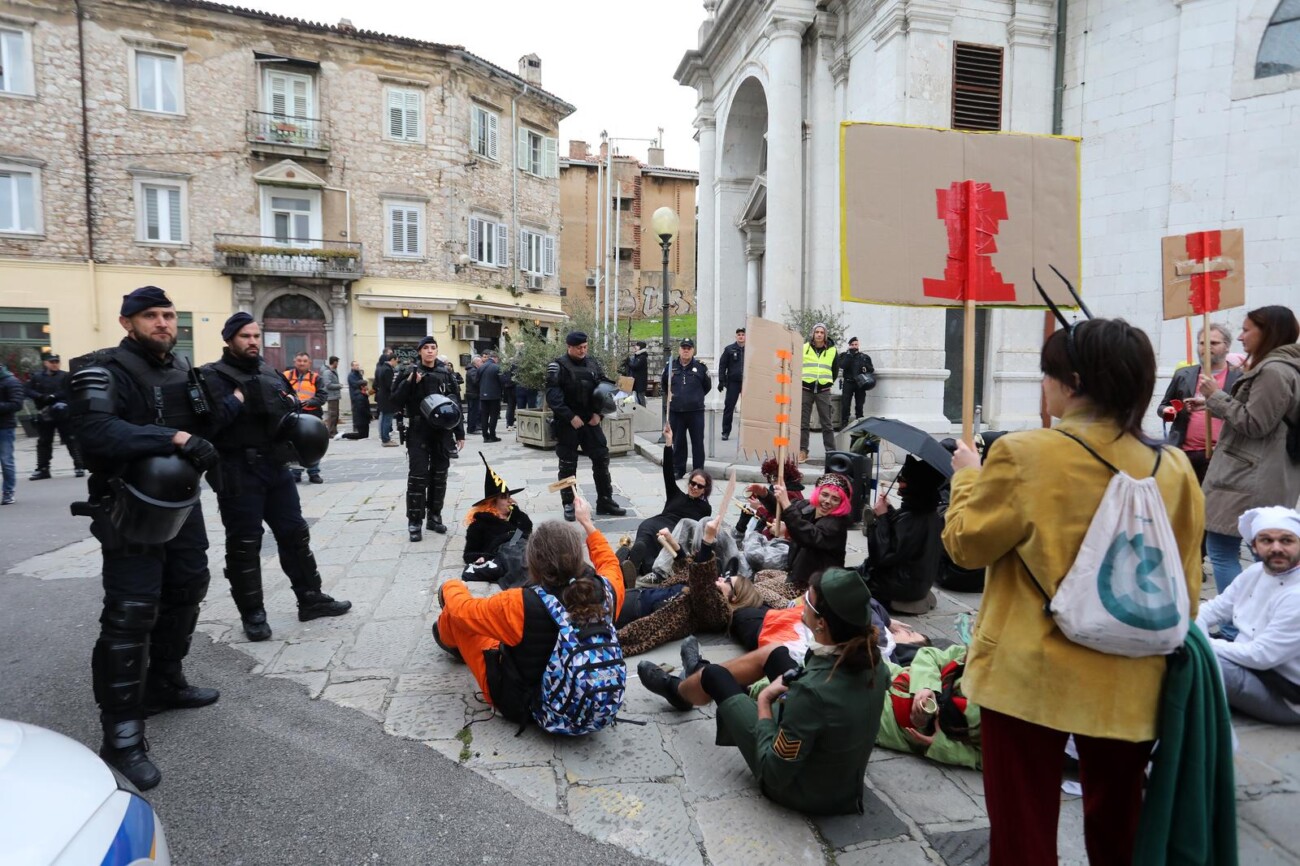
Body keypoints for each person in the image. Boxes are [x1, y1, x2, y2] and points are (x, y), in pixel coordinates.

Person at [942, 317, 1204, 866]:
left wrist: (967, 475)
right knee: (1120, 827)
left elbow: (965, 547)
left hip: (1027, 674)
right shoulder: (1175, 466)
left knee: (1023, 831)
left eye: (1049, 374)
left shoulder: (1025, 454)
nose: (1044, 384)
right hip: (1131, 676)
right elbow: (1187, 581)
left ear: (1074, 381)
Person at [66, 286, 224, 790]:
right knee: (131, 612)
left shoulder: (181, 370)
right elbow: (95, 435)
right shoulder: (102, 369)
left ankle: (165, 682)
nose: (162, 322)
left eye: (169, 314)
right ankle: (122, 733)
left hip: (182, 505)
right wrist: (171, 437)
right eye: (151, 316)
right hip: (128, 506)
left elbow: (208, 427)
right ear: (126, 322)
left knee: (187, 589)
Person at [638, 567, 888, 815]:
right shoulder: (873, 661)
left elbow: (774, 772)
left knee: (716, 676)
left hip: (802, 791)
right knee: (776, 652)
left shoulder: (812, 693)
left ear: (821, 624)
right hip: (832, 764)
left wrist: (765, 702)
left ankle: (681, 689)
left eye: (807, 604)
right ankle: (696, 676)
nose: (800, 607)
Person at [202, 312, 352, 642]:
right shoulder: (212, 377)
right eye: (245, 336)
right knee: (244, 544)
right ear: (229, 340)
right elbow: (207, 425)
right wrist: (237, 398)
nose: (252, 341)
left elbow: (289, 413)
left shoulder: (271, 373)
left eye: (256, 335)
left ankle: (310, 598)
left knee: (295, 533)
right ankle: (253, 613)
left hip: (276, 468)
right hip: (238, 472)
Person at [434, 497, 624, 725]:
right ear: (578, 558)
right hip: (591, 700)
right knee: (487, 622)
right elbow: (611, 565)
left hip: (524, 706)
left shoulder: (520, 603)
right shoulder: (606, 591)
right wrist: (587, 523)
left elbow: (463, 610)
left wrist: (451, 587)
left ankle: (446, 638)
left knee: (457, 619)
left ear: (533, 563)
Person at [1199, 305, 1300, 594]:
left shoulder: (1274, 371)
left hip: (1247, 476)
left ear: (1267, 333)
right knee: (1264, 553)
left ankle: (1235, 625)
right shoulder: (1280, 367)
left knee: (1224, 550)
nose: (1241, 337)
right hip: (1260, 473)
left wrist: (1215, 397)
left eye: (1246, 330)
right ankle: (1262, 618)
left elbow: (1255, 423)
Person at [1195, 505, 1300, 725]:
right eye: (1266, 540)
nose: (1276, 548)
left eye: (1287, 540)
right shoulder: (1254, 572)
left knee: (1192, 658)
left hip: (1286, 694)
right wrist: (1196, 631)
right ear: (1254, 546)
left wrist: (1200, 642)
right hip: (1249, 666)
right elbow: (1212, 609)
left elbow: (1260, 656)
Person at [546, 331, 626, 521]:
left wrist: (599, 414)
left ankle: (605, 500)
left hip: (590, 420)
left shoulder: (592, 363)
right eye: (579, 348)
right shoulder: (557, 366)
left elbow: (604, 390)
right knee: (567, 464)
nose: (583, 351)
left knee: (601, 458)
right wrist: (569, 416)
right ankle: (569, 503)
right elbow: (553, 398)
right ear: (569, 347)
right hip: (568, 422)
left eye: (585, 347)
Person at [618, 426, 713, 586]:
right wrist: (669, 443)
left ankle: (632, 563)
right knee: (644, 536)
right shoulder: (675, 493)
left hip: (673, 533)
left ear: (705, 490)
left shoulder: (705, 509)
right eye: (692, 483)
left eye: (699, 486)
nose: (694, 487)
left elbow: (696, 533)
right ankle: (634, 562)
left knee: (656, 553)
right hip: (656, 524)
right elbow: (668, 470)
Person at [391, 337, 465, 540]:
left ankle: (435, 517)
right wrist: (409, 383)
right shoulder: (409, 372)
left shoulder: (446, 373)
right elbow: (394, 401)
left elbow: (455, 402)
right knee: (417, 476)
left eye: (433, 348)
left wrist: (460, 433)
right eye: (426, 348)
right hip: (418, 430)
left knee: (439, 476)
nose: (430, 351)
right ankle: (414, 522)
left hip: (442, 433)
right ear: (420, 351)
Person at [861, 455, 946, 615]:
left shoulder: (914, 517)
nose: (899, 482)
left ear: (916, 484)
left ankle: (898, 601)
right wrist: (889, 511)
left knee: (852, 579)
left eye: (902, 479)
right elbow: (901, 537)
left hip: (901, 585)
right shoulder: (926, 510)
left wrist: (881, 518)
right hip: (918, 581)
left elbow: (881, 557)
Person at [1157, 323, 1241, 483]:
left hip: (1221, 454)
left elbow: (1242, 413)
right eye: (1202, 343)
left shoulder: (1238, 377)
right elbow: (1164, 407)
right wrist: (1170, 411)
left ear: (1227, 347)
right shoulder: (1183, 375)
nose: (1206, 347)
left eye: (1214, 343)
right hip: (1183, 453)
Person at [748, 472, 853, 594]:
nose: (827, 501)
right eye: (824, 495)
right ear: (817, 493)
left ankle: (795, 609)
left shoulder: (835, 525)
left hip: (814, 588)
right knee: (760, 576)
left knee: (758, 591)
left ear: (841, 504)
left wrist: (786, 504)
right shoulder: (808, 506)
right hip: (796, 576)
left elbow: (807, 534)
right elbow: (782, 511)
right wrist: (765, 494)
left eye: (835, 499)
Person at [462, 453, 533, 582]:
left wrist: (517, 515)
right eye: (504, 497)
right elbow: (468, 555)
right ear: (493, 502)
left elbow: (523, 532)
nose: (510, 500)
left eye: (509, 496)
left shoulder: (515, 517)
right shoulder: (479, 525)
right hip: (504, 556)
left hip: (521, 548)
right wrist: (486, 555)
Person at [26, 351, 85, 479]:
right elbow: (27, 390)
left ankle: (79, 466)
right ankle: (43, 468)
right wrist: (40, 396)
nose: (54, 364)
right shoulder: (37, 377)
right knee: (44, 442)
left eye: (56, 362)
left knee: (71, 440)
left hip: (63, 413)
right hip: (45, 413)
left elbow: (71, 390)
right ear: (45, 363)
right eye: (51, 362)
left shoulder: (65, 376)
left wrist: (54, 396)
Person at [663, 338, 712, 478]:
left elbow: (706, 386)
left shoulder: (701, 367)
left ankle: (698, 471)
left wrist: (694, 398)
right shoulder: (670, 366)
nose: (685, 350)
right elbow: (665, 384)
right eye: (683, 347)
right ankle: (679, 469)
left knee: (697, 442)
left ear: (693, 350)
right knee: (678, 442)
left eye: (688, 348)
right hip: (676, 412)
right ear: (679, 350)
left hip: (695, 412)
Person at [735, 457, 803, 540]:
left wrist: (759, 508)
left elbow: (777, 519)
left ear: (785, 476)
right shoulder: (782, 489)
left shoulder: (789, 494)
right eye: (769, 477)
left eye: (775, 477)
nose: (771, 480)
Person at [799, 323, 838, 463]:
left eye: (822, 332)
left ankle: (831, 452)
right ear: (813, 334)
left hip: (823, 390)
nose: (819, 334)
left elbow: (834, 370)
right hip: (806, 389)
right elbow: (798, 365)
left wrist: (828, 383)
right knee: (803, 422)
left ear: (825, 335)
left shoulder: (832, 350)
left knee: (827, 423)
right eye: (817, 332)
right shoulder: (804, 348)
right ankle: (803, 451)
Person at [284, 352, 324, 482]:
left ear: (309, 363)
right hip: (293, 414)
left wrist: (311, 402)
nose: (302, 363)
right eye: (299, 360)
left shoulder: (316, 378)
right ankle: (296, 472)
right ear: (295, 361)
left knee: (314, 444)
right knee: (294, 444)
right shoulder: (286, 376)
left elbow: (322, 396)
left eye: (305, 361)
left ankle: (313, 472)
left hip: (312, 415)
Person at [0, 362, 24, 504]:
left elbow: (17, 404)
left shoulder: (11, 381)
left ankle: (8, 491)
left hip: (4, 427)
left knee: (6, 460)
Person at [838, 337, 874, 429]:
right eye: (852, 345)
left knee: (860, 404)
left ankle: (860, 423)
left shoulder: (864, 357)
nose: (854, 347)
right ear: (849, 345)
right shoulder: (844, 355)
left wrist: (865, 367)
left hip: (860, 384)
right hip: (848, 383)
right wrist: (849, 355)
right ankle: (844, 423)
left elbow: (871, 369)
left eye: (856, 344)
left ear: (858, 345)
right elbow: (842, 365)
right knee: (845, 404)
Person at [718, 328, 745, 441]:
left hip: (747, 382)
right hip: (733, 382)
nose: (741, 336)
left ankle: (748, 433)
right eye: (738, 334)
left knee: (750, 409)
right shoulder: (729, 349)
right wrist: (721, 380)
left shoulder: (750, 349)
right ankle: (725, 432)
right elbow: (722, 365)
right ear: (736, 336)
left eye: (743, 334)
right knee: (729, 407)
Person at [375, 353, 400, 447]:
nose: (396, 364)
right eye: (396, 361)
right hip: (387, 398)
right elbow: (390, 386)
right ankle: (386, 440)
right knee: (387, 419)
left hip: (381, 396)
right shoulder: (388, 370)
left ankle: (383, 437)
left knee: (383, 417)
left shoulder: (380, 367)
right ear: (392, 359)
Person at [478, 352, 503, 442]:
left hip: (483, 395)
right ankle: (492, 435)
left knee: (484, 416)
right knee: (493, 416)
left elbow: (477, 380)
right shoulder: (497, 367)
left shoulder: (481, 367)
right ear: (495, 358)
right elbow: (502, 381)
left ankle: (485, 436)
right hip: (494, 396)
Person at [320, 355, 342, 437]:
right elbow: (328, 384)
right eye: (337, 362)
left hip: (335, 396)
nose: (338, 364)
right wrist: (339, 385)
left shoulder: (333, 371)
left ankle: (334, 430)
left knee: (335, 414)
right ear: (335, 362)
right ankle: (330, 432)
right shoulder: (327, 372)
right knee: (332, 414)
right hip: (331, 396)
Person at [626, 340, 649, 406]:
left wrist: (628, 363)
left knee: (640, 396)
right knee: (637, 396)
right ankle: (640, 409)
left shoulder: (642, 357)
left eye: (637, 346)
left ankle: (643, 410)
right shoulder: (638, 356)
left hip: (640, 381)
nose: (635, 347)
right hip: (637, 380)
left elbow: (635, 366)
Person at [465, 354, 483, 435]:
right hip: (473, 394)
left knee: (474, 411)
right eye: (481, 362)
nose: (482, 363)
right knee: (473, 412)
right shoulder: (473, 370)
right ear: (477, 362)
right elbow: (475, 381)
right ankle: (472, 429)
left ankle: (472, 428)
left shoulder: (473, 369)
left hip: (473, 394)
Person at [500, 355, 518, 430]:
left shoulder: (505, 369)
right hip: (514, 388)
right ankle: (512, 423)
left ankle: (509, 423)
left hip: (508, 389)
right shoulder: (515, 368)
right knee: (515, 406)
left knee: (510, 406)